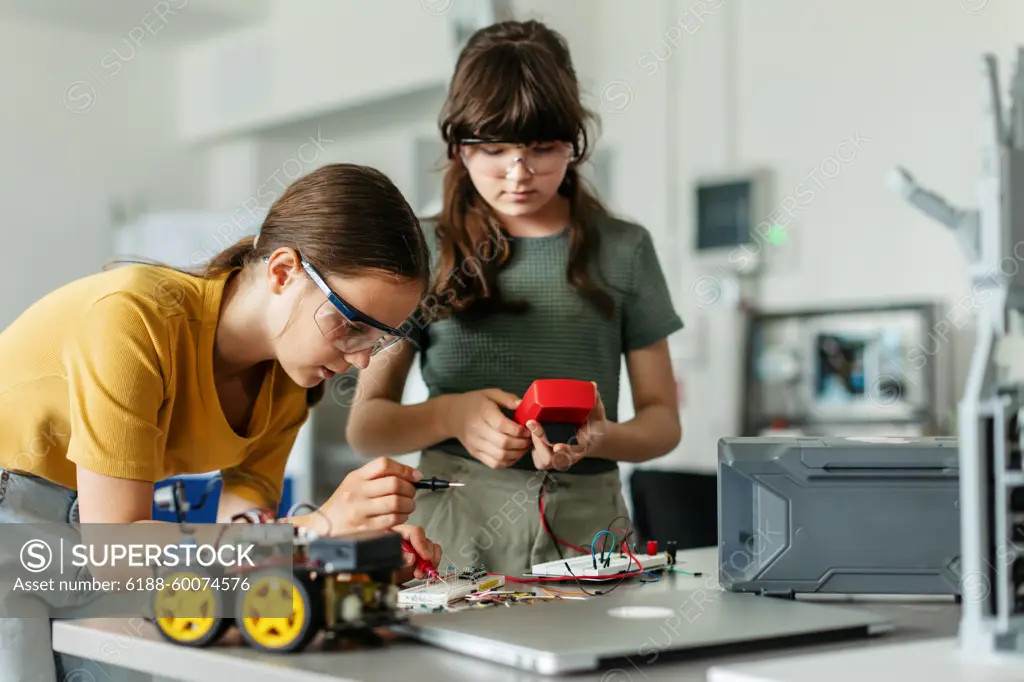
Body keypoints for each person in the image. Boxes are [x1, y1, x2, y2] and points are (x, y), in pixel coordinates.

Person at [0, 163, 442, 682]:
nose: (362, 360)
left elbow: (243, 542)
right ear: (283, 271)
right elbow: (114, 550)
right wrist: (318, 530)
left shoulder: (286, 388)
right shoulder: (134, 319)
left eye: (378, 338)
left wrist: (354, 553)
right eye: (349, 324)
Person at [345, 21, 684, 577]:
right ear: (457, 146)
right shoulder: (424, 250)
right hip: (454, 523)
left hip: (587, 526)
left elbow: (663, 423)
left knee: (594, 663)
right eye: (494, 149)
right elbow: (367, 427)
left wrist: (597, 437)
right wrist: (452, 414)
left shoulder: (625, 249)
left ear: (574, 142)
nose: (518, 173)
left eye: (542, 149)